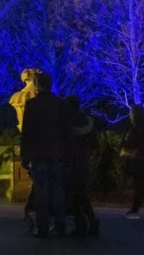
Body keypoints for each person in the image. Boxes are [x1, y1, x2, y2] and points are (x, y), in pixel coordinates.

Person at [20, 71, 68, 238]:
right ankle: (61, 226)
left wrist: (25, 156)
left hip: (39, 154)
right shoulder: (60, 104)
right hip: (57, 153)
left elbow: (26, 133)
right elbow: (65, 132)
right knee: (58, 191)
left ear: (38, 85)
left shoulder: (33, 104)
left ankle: (42, 226)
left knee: (41, 191)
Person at [64, 96, 98, 236]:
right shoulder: (88, 121)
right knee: (82, 194)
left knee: (74, 195)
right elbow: (94, 143)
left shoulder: (66, 122)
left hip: (70, 161)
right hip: (84, 161)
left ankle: (82, 223)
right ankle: (91, 221)